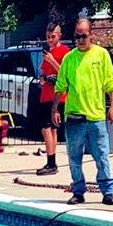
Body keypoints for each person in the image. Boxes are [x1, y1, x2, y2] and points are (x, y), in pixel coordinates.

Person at [53, 19, 113, 206]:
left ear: (91, 34)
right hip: (75, 116)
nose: (80, 40)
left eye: (83, 36)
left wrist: (112, 106)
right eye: (77, 36)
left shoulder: (102, 55)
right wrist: (55, 108)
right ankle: (78, 191)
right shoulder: (69, 58)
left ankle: (107, 191)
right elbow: (60, 85)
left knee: (102, 155)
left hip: (96, 116)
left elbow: (110, 83)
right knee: (74, 158)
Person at [35, 23, 72, 176]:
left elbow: (66, 73)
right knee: (51, 129)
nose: (50, 40)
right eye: (48, 37)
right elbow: (41, 77)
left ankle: (51, 162)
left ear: (60, 36)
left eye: (53, 37)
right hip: (46, 94)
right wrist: (44, 79)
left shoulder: (65, 51)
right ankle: (51, 162)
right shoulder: (47, 52)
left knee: (47, 128)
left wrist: (52, 61)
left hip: (58, 96)